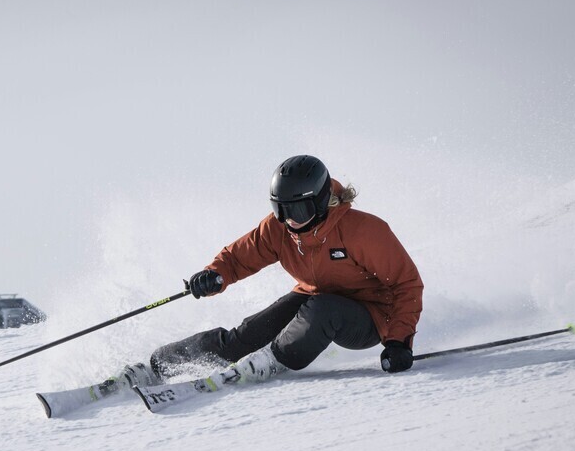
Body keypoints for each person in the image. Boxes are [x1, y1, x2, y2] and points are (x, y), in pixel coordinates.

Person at [145, 155, 423, 385]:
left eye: (299, 210)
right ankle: (161, 364)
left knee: (322, 309)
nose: (289, 220)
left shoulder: (363, 231)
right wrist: (214, 274)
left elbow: (406, 285)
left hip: (370, 316)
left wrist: (399, 342)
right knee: (246, 336)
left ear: (320, 202)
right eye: (280, 209)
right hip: (314, 297)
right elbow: (240, 256)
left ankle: (268, 362)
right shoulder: (280, 230)